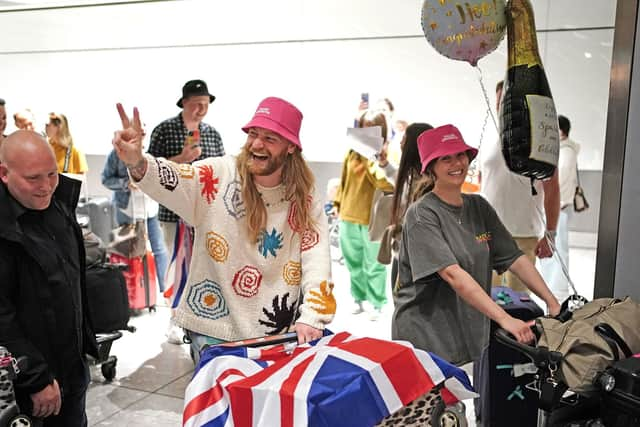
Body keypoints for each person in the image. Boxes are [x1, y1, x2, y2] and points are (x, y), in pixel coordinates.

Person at [112, 97, 335, 365]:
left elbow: (316, 253)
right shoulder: (218, 175)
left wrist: (313, 316)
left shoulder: (302, 193)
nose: (257, 144)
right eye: (254, 134)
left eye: (270, 138)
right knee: (217, 408)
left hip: (276, 334)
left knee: (265, 407)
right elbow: (174, 179)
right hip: (212, 331)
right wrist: (138, 162)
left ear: (290, 147)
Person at [392, 124, 561, 366]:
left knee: (462, 399)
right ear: (431, 168)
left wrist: (551, 301)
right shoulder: (421, 215)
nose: (456, 164)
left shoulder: (478, 207)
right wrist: (505, 319)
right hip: (426, 336)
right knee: (438, 403)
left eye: (460, 155)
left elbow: (514, 258)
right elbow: (453, 274)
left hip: (465, 328)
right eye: (445, 159)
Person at [0, 131, 99, 426]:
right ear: (4, 174)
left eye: (52, 174)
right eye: (33, 179)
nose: (46, 187)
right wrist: (35, 378)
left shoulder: (58, 204)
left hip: (72, 366)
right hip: (30, 383)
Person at [479, 80, 560, 292]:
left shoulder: (539, 140)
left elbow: (552, 189)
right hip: (488, 233)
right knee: (487, 297)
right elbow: (484, 180)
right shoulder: (489, 136)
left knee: (520, 301)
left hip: (523, 233)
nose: (501, 107)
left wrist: (550, 234)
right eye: (499, 102)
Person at [147, 79, 225, 255]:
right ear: (184, 103)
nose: (202, 110)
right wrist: (181, 159)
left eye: (206, 105)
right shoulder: (164, 130)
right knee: (176, 266)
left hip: (207, 211)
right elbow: (149, 170)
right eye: (197, 104)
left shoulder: (212, 134)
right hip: (173, 211)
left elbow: (223, 171)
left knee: (206, 261)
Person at [334, 110, 394, 320]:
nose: (365, 133)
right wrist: (337, 203)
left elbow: (385, 183)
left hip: (374, 219)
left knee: (374, 263)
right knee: (354, 262)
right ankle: (358, 299)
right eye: (363, 128)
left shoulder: (385, 157)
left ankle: (377, 303)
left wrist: (374, 159)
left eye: (371, 129)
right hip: (348, 216)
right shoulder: (351, 153)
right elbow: (344, 180)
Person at [101, 147, 169, 294]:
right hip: (126, 210)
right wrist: (126, 184)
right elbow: (105, 179)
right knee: (124, 251)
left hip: (150, 209)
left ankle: (165, 291)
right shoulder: (116, 153)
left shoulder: (152, 150)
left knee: (159, 249)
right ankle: (126, 292)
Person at [380, 122, 434, 288]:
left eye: (404, 139)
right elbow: (398, 178)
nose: (401, 143)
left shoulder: (427, 183)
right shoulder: (412, 175)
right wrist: (384, 163)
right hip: (402, 253)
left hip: (414, 258)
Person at [539, 115, 579, 300]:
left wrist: (556, 202)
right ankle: (553, 284)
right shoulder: (563, 150)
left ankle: (559, 287)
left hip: (561, 206)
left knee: (558, 247)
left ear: (561, 131)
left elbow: (559, 181)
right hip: (559, 205)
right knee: (556, 245)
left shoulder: (566, 151)